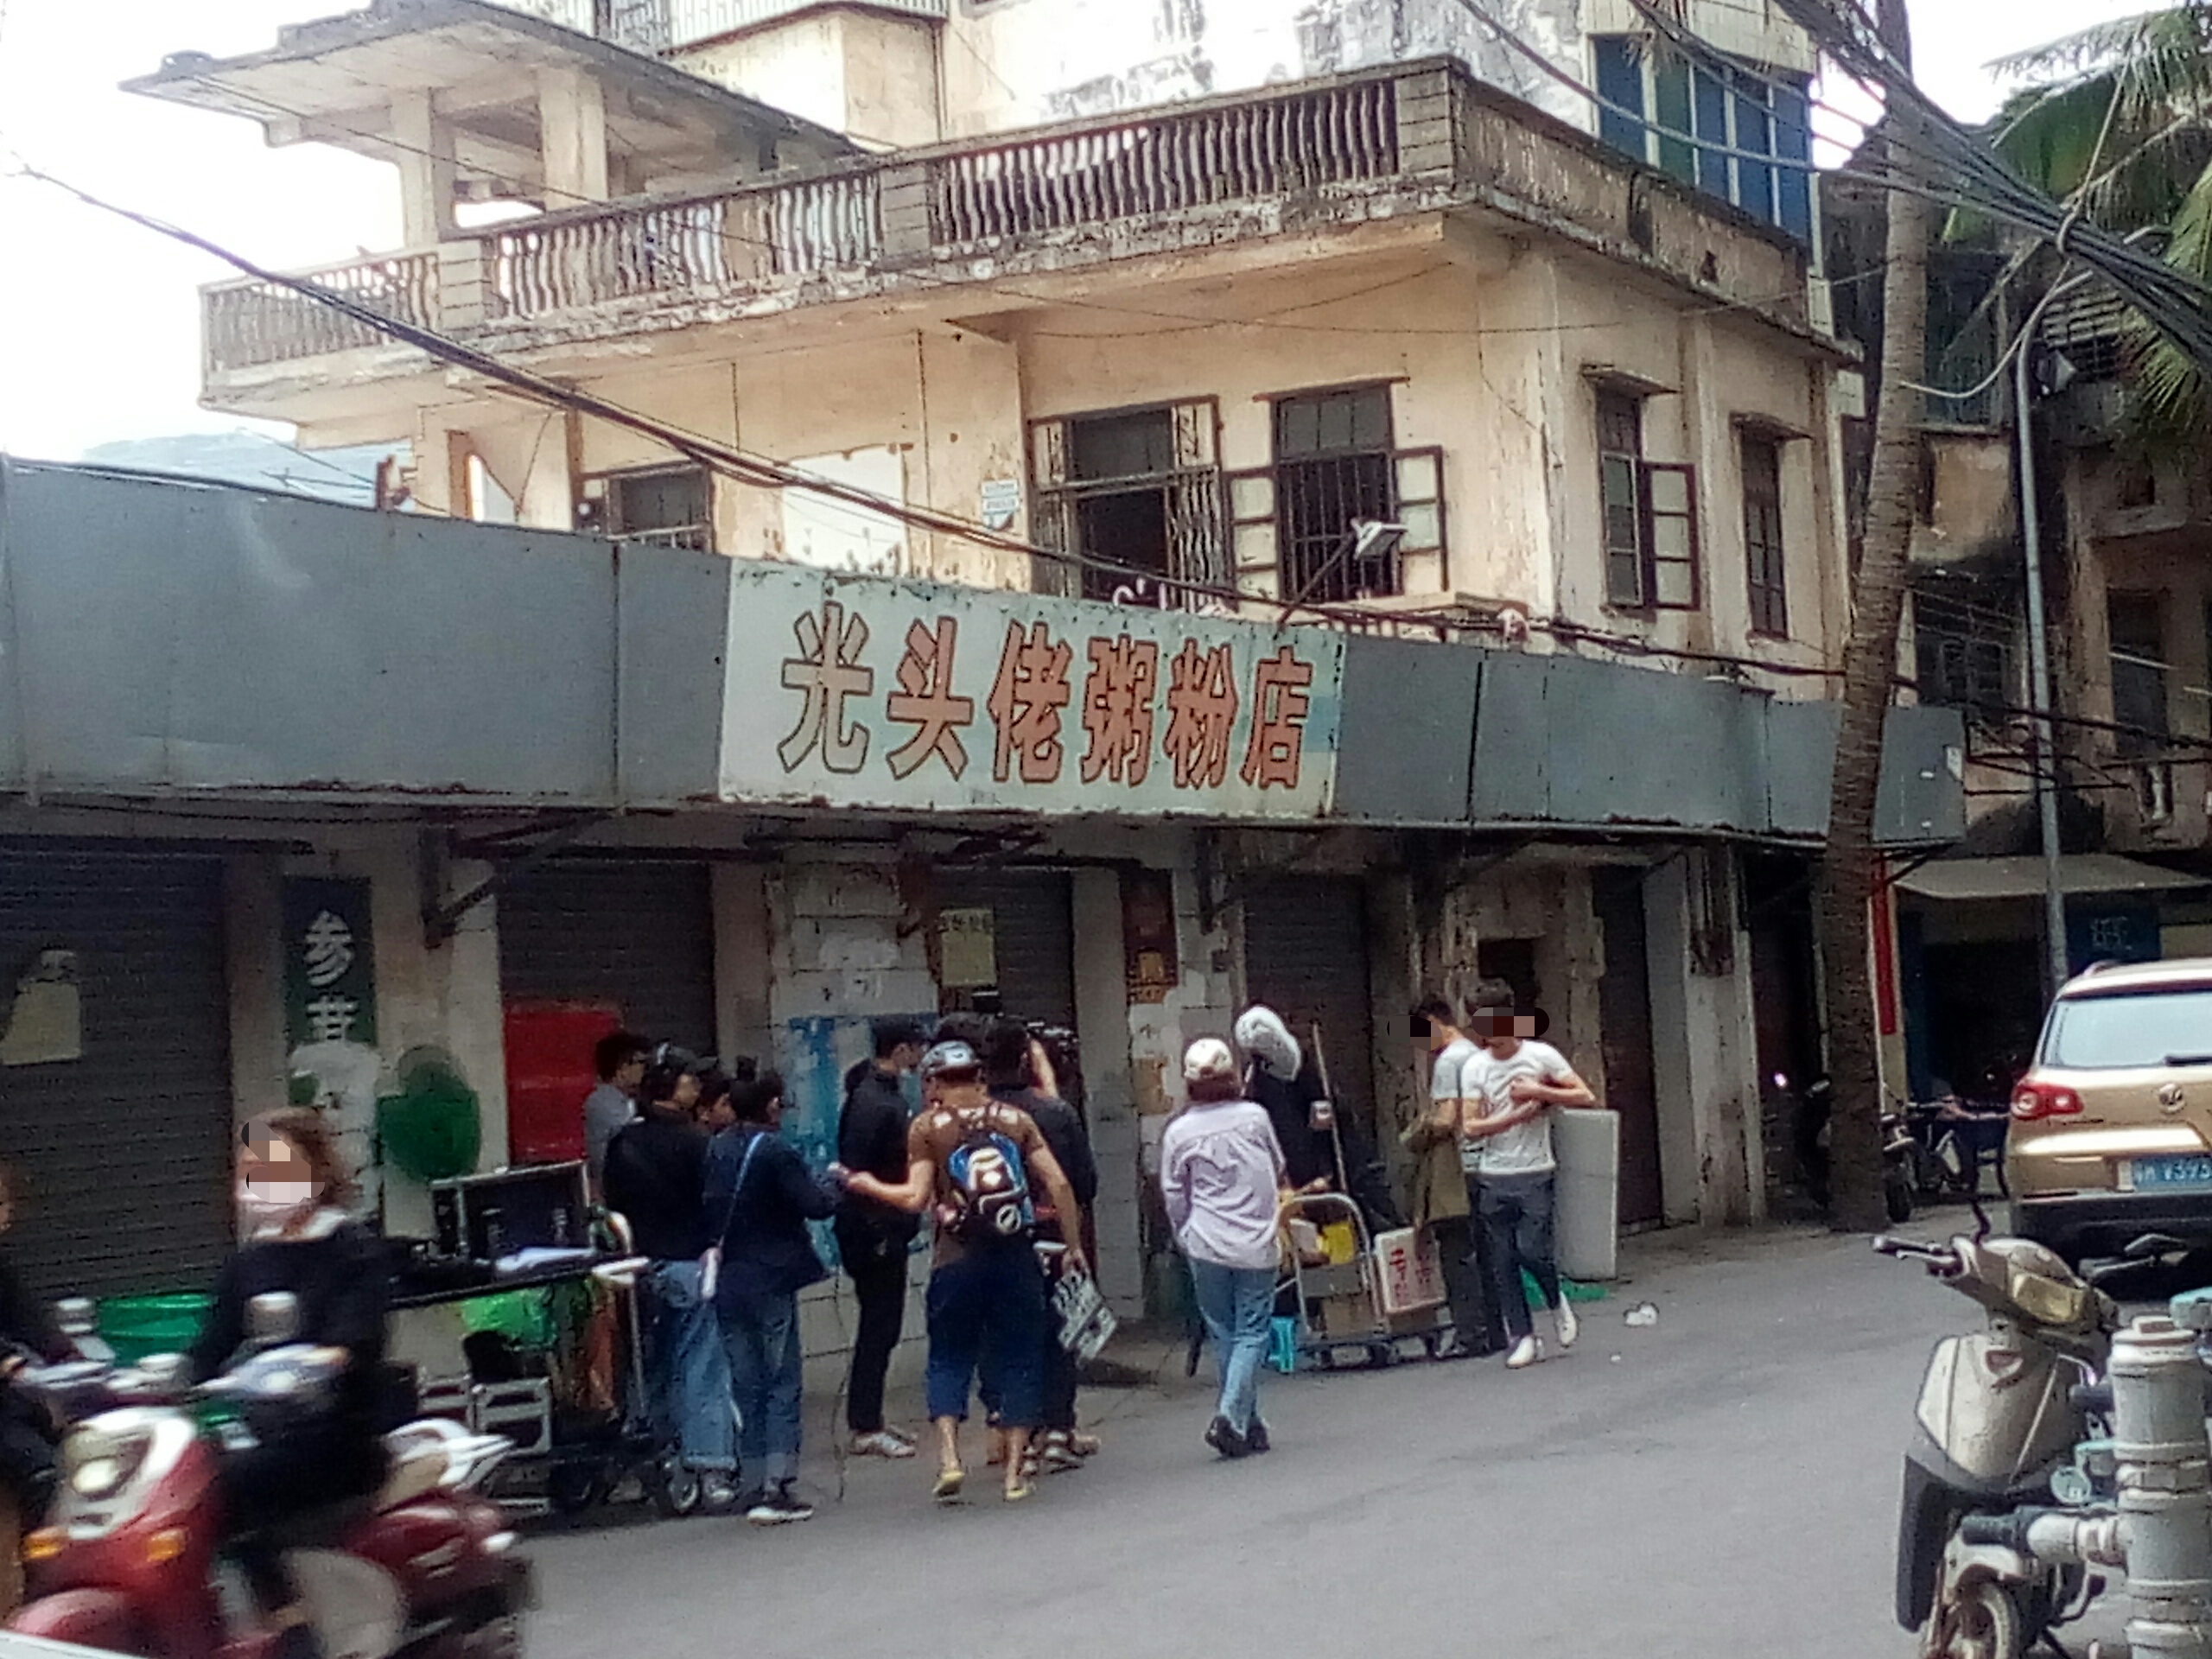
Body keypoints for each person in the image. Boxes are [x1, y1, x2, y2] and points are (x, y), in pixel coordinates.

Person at [833, 1040, 1087, 1506]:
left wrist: (864, 1183)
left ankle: (950, 1458)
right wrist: (1072, 1246)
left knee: (948, 1357)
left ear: (934, 1082)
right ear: (979, 1077)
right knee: (1020, 1358)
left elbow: (914, 1198)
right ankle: (1014, 1475)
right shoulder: (1015, 1120)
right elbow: (1059, 1183)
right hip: (1015, 1257)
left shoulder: (927, 1127)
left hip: (956, 1260)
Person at [188, 1112, 390, 1659]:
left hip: (338, 1438)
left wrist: (316, 1363)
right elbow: (209, 1347)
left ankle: (294, 1627)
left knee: (224, 1489)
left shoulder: (351, 1248)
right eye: (250, 1167)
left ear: (316, 1170)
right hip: (265, 1433)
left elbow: (356, 1337)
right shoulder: (249, 1260)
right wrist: (151, 1381)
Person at [601, 1045, 737, 1503]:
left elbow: (612, 1205)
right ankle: (710, 1464)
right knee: (702, 1368)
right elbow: (717, 1205)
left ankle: (647, 1455)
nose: (696, 1087)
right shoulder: (698, 1143)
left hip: (638, 1269)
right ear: (669, 1087)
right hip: (692, 1267)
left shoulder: (623, 1142)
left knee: (647, 1368)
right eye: (688, 1080)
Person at [705, 1069, 841, 1525]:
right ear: (770, 1105)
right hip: (772, 1277)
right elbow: (815, 1204)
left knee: (746, 1384)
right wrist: (836, 1184)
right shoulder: (775, 1151)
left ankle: (750, 1480)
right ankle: (777, 1484)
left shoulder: (717, 1147)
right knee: (781, 1380)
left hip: (730, 1279)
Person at [1160, 1038, 1287, 1460]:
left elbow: (1173, 1193)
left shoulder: (1178, 1131)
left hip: (1205, 1243)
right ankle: (1231, 1417)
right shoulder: (1254, 1118)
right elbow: (1277, 1166)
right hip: (1256, 1243)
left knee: (1225, 1332)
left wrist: (1185, 1233)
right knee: (1252, 1331)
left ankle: (1248, 1421)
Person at [982, 1017, 1099, 1475]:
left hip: (991, 1242)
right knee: (1061, 1332)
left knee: (1007, 1338)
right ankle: (1057, 1430)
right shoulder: (1054, 1113)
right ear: (1026, 1059)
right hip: (1052, 1235)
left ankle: (1018, 1433)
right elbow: (1084, 1182)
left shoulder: (968, 1118)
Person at [1460, 991, 1597, 1370]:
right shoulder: (1474, 1068)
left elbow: (1585, 1095)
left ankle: (1555, 1300)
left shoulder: (1541, 1055)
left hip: (1536, 1170)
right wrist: (1514, 1118)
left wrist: (1539, 1091)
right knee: (1502, 1260)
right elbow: (1470, 1126)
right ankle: (1522, 1336)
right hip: (1493, 1173)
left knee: (1532, 1249)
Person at [834, 1016, 927, 1461]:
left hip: (884, 1226)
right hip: (875, 1232)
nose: (921, 1055)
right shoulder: (875, 1101)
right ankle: (865, 1424)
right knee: (878, 1326)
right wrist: (878, 1227)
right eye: (917, 1046)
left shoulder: (881, 1094)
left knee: (884, 1327)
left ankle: (871, 1417)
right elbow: (857, 1170)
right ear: (901, 1049)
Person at [1405, 997, 1503, 1359]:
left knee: (1458, 1255)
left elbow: (1447, 1119)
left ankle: (1470, 1334)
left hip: (1454, 1170)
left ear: (1434, 1022)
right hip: (1483, 1164)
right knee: (1484, 1254)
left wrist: (1418, 1131)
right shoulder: (1476, 1055)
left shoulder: (1449, 1061)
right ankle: (1494, 1331)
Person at [584, 1031, 651, 1191]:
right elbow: (630, 1138)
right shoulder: (600, 1102)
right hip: (617, 1187)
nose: (646, 1070)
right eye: (642, 1063)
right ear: (623, 1068)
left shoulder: (633, 1099)